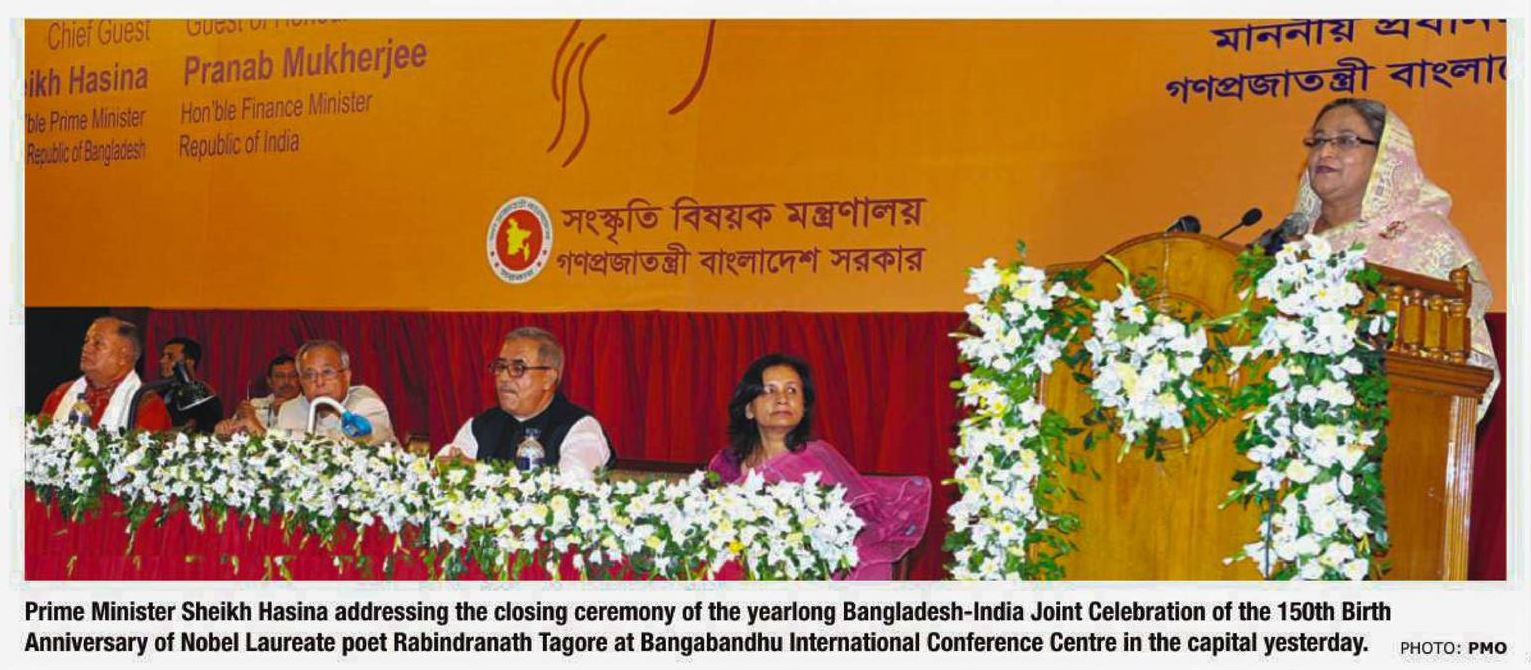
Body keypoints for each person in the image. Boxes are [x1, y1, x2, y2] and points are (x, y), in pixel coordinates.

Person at [1290, 97, 1499, 412]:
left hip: (1391, 417)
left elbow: (1465, 358)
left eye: (1345, 141)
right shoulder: (1288, 243)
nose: (1325, 152)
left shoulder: (1424, 238)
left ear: (1386, 156)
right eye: (1318, 140)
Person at [707, 354, 930, 580]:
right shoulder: (727, 465)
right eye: (769, 390)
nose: (782, 398)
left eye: (792, 390)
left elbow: (846, 531)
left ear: (803, 407)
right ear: (749, 409)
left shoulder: (819, 459)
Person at [436, 327, 612, 480]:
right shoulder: (480, 426)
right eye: (501, 366)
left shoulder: (579, 427)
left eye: (518, 368)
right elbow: (449, 467)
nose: (503, 378)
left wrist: (480, 472)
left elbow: (572, 487)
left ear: (548, 378)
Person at [249, 340, 396, 444]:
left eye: (327, 372)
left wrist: (266, 434)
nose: (319, 382)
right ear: (301, 381)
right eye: (309, 375)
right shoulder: (290, 410)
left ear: (346, 377)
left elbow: (344, 447)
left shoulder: (367, 404)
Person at [40, 316, 172, 432]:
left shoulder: (146, 404)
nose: (85, 348)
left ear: (124, 356)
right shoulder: (61, 394)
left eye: (97, 343)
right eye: (86, 341)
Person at [214, 354, 301, 438]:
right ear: (269, 381)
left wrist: (254, 422)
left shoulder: (306, 407)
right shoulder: (253, 405)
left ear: (300, 379)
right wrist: (224, 429)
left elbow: (287, 444)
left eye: (293, 376)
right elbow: (232, 439)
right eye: (280, 376)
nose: (287, 381)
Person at [157, 336, 224, 434]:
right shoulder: (159, 394)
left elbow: (209, 431)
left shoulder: (205, 397)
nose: (162, 361)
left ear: (189, 363)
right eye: (163, 356)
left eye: (170, 357)